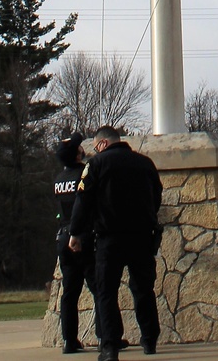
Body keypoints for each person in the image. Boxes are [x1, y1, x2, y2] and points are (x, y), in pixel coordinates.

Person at [69, 125, 163, 361]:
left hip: (110, 238)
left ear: (102, 144)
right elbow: (157, 195)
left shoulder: (97, 164)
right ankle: (150, 339)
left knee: (106, 292)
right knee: (143, 289)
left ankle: (110, 347)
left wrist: (76, 232)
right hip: (142, 237)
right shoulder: (145, 163)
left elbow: (83, 199)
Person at [53, 132, 108, 355]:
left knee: (70, 292)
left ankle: (69, 339)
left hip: (63, 236)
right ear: (77, 153)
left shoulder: (58, 180)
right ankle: (105, 336)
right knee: (99, 288)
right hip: (83, 236)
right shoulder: (84, 175)